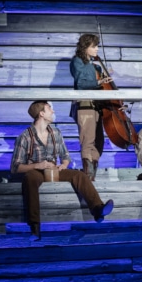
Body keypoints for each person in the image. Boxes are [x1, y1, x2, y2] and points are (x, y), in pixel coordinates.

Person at [11, 101, 114, 240]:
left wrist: (64, 165)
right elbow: (15, 167)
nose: (52, 111)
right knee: (30, 179)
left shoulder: (55, 132)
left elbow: (65, 156)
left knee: (78, 175)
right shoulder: (25, 136)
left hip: (54, 170)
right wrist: (37, 165)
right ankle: (35, 227)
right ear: (41, 113)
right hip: (35, 170)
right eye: (49, 109)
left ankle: (97, 209)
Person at [69, 33, 113, 181]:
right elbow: (81, 83)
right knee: (88, 139)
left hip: (97, 104)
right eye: (94, 47)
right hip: (84, 104)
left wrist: (105, 79)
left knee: (99, 141)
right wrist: (100, 82)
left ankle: (92, 175)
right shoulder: (77, 62)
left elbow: (101, 86)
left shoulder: (96, 66)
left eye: (97, 46)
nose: (97, 49)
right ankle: (88, 177)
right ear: (85, 47)